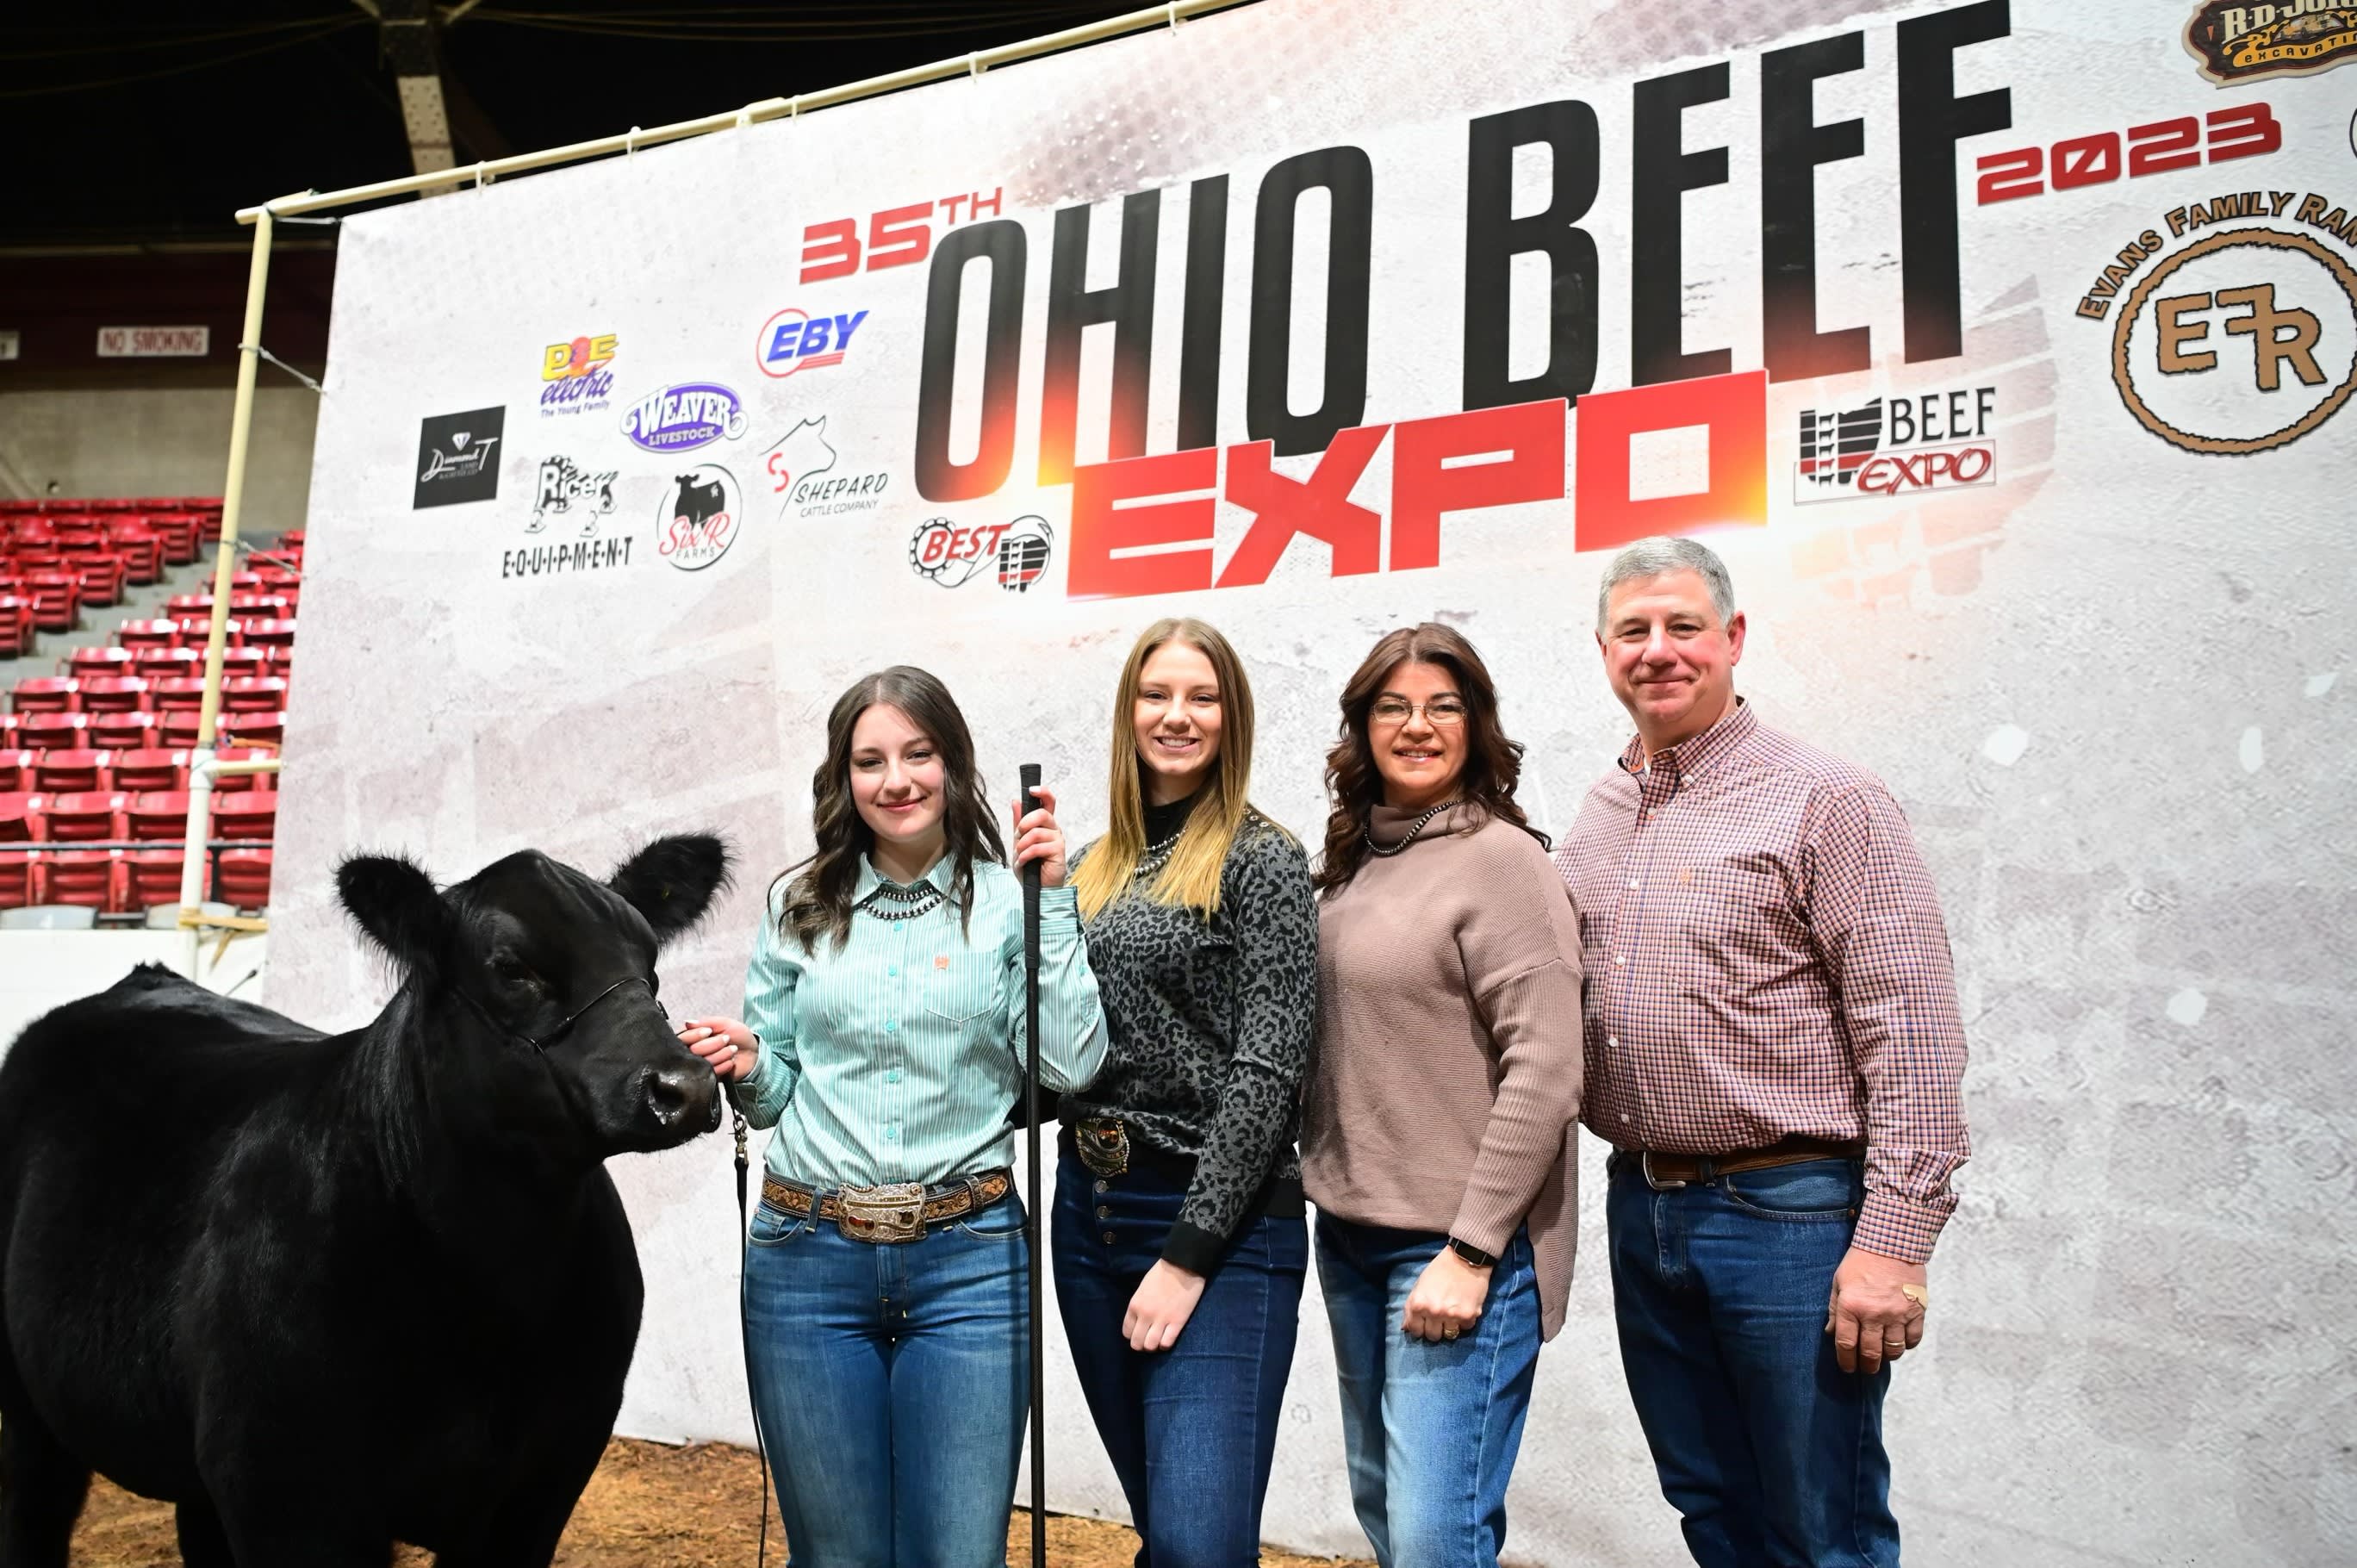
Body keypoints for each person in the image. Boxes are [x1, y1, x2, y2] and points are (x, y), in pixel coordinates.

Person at [1555, 536, 1970, 1568]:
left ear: (1733, 639)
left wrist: (1894, 1243)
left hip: (1788, 1212)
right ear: (1604, 651)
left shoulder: (1827, 798)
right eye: (1634, 631)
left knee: (1819, 1517)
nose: (1659, 650)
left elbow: (1911, 1027)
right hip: (1643, 1203)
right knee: (1710, 1500)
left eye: (1684, 626)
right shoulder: (1599, 813)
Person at [677, 665, 1107, 1568]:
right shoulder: (796, 904)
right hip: (806, 1261)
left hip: (972, 1267)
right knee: (837, 1559)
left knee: (957, 1556)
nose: (896, 778)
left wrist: (1054, 899)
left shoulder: (1010, 899)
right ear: (844, 779)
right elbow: (782, 1090)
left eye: (918, 752)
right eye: (869, 760)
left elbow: (1071, 1064)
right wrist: (754, 1064)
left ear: (954, 762)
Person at [1301, 622, 1584, 1568]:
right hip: (1350, 1237)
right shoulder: (1355, 861)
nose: (1417, 725)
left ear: (1476, 723)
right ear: (1362, 725)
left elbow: (1547, 1068)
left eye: (1443, 706)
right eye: (1393, 706)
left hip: (1458, 1250)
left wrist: (1470, 1249)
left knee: (1434, 1537)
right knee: (1389, 1516)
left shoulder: (1503, 860)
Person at [1054, 616, 1317, 1567]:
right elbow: (1058, 1060)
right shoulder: (1085, 867)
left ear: (1231, 717)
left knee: (1201, 1545)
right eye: (1157, 694)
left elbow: (1271, 1067)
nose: (1178, 714)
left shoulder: (1263, 859)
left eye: (1202, 696)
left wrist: (1190, 1251)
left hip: (1222, 1220)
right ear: (1128, 712)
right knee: (1167, 1530)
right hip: (1089, 1215)